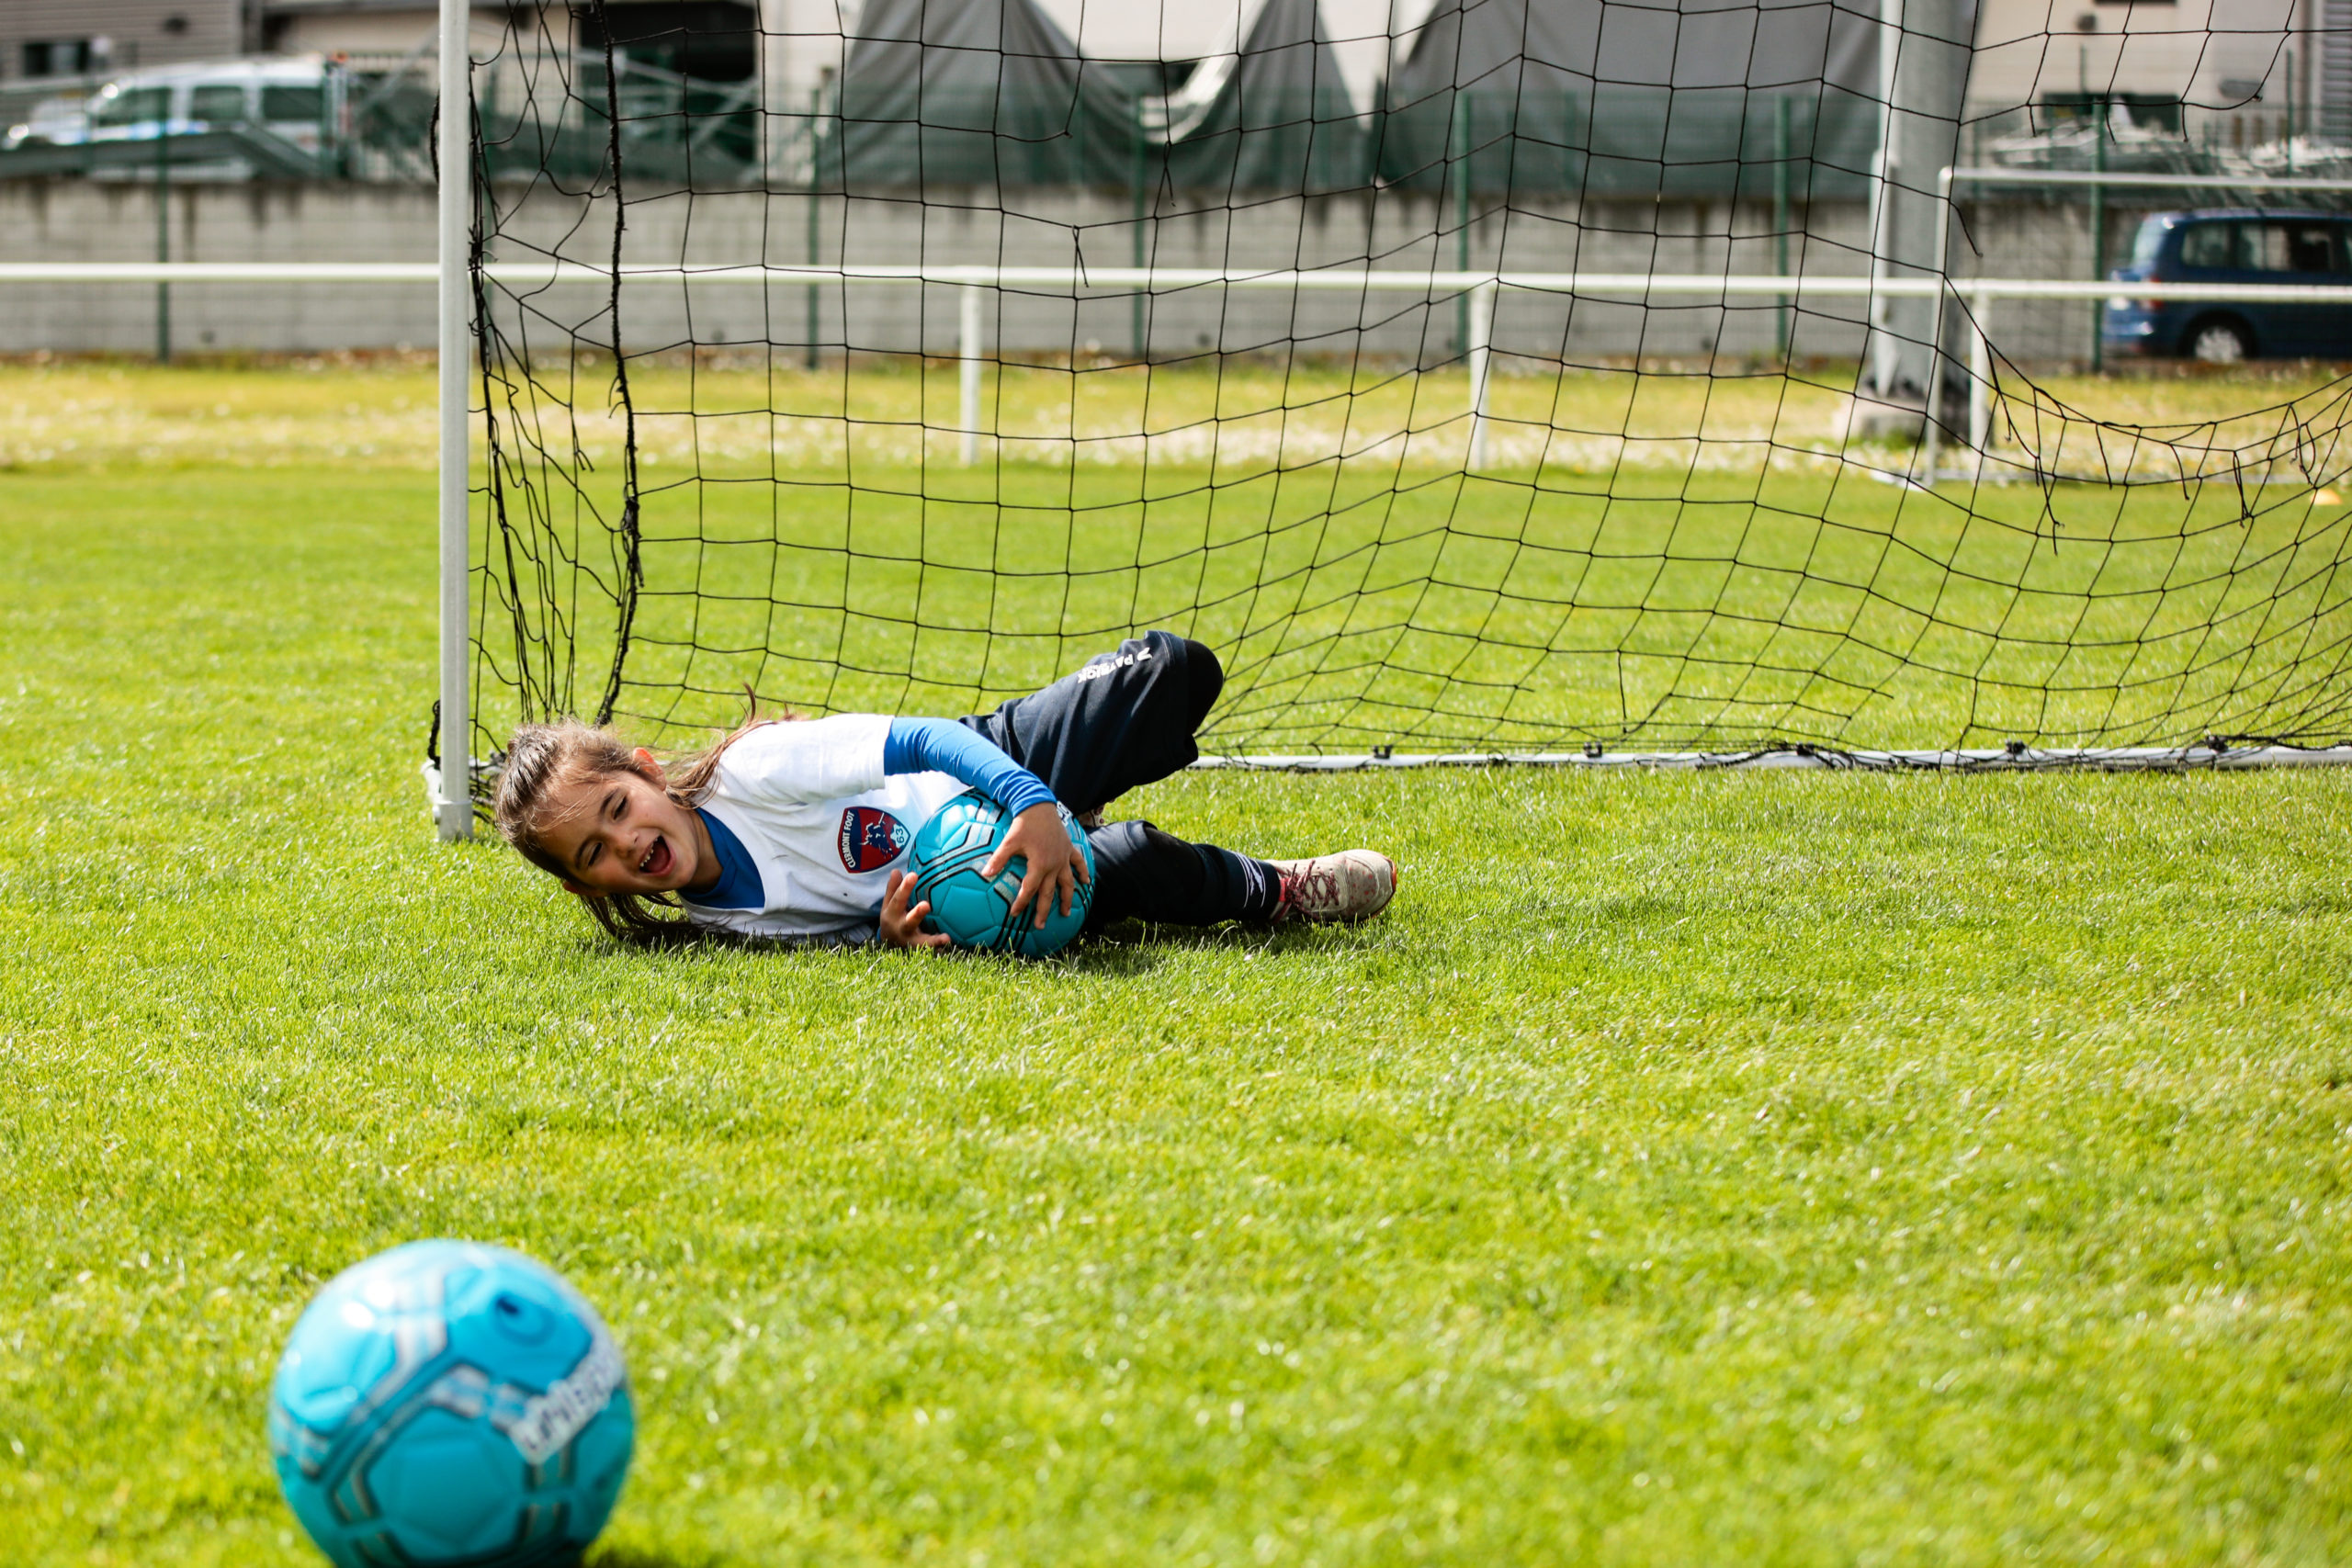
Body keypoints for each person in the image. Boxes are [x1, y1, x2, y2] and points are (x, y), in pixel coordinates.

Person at [492, 632, 1397, 948]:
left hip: (980, 758)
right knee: (1131, 865)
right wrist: (888, 935)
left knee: (1173, 668)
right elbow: (847, 930)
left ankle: (1066, 805)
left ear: (647, 771)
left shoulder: (758, 772)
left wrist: (1030, 802)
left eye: (618, 808)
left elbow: (924, 738)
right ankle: (1279, 888)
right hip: (972, 880)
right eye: (595, 854)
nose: (627, 843)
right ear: (582, 884)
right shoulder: (724, 924)